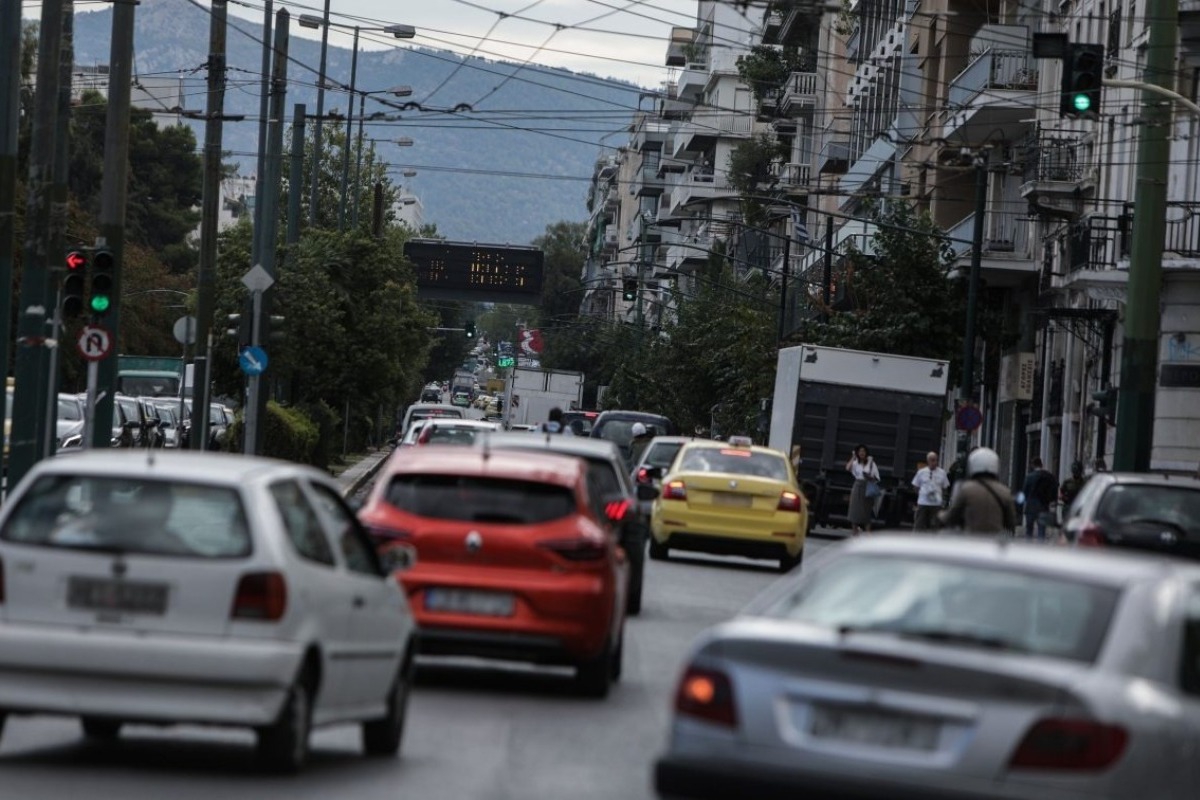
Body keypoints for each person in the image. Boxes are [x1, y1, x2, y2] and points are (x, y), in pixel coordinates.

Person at [939, 447, 1018, 535]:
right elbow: (1011, 521)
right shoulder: (1004, 491)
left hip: (973, 540)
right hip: (994, 541)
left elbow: (952, 515)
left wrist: (940, 517)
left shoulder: (966, 489)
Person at [1020, 457, 1059, 542]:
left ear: (1033, 465)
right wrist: (1052, 501)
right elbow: (1054, 489)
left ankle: (1027, 550)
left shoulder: (1029, 477)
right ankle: (1040, 550)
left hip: (1030, 507)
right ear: (1041, 465)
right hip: (1043, 506)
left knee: (1029, 530)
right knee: (1041, 531)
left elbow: (1024, 492)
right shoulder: (1049, 476)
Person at [845, 444, 880, 536]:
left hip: (867, 487)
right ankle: (855, 533)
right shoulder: (856, 462)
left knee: (866, 512)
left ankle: (869, 534)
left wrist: (868, 476)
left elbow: (876, 478)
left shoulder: (871, 463)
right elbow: (848, 468)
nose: (862, 453)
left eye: (863, 451)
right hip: (857, 486)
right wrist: (853, 457)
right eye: (860, 451)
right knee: (854, 511)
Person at [911, 451, 950, 532]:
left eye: (936, 460)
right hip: (923, 503)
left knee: (935, 526)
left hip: (936, 504)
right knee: (919, 525)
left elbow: (945, 487)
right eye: (932, 460)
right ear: (928, 461)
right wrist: (921, 495)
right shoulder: (921, 472)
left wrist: (941, 499)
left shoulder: (942, 473)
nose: (934, 462)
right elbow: (916, 486)